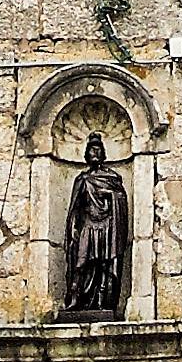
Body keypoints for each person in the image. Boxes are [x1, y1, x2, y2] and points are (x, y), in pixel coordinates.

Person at [60, 130, 131, 317]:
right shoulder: (82, 179)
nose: (95, 154)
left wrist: (110, 195)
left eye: (98, 151)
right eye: (92, 151)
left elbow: (121, 199)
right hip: (87, 226)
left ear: (103, 154)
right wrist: (73, 228)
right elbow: (75, 208)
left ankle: (103, 301)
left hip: (107, 226)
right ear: (86, 154)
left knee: (104, 265)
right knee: (80, 263)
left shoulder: (112, 178)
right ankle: (76, 299)